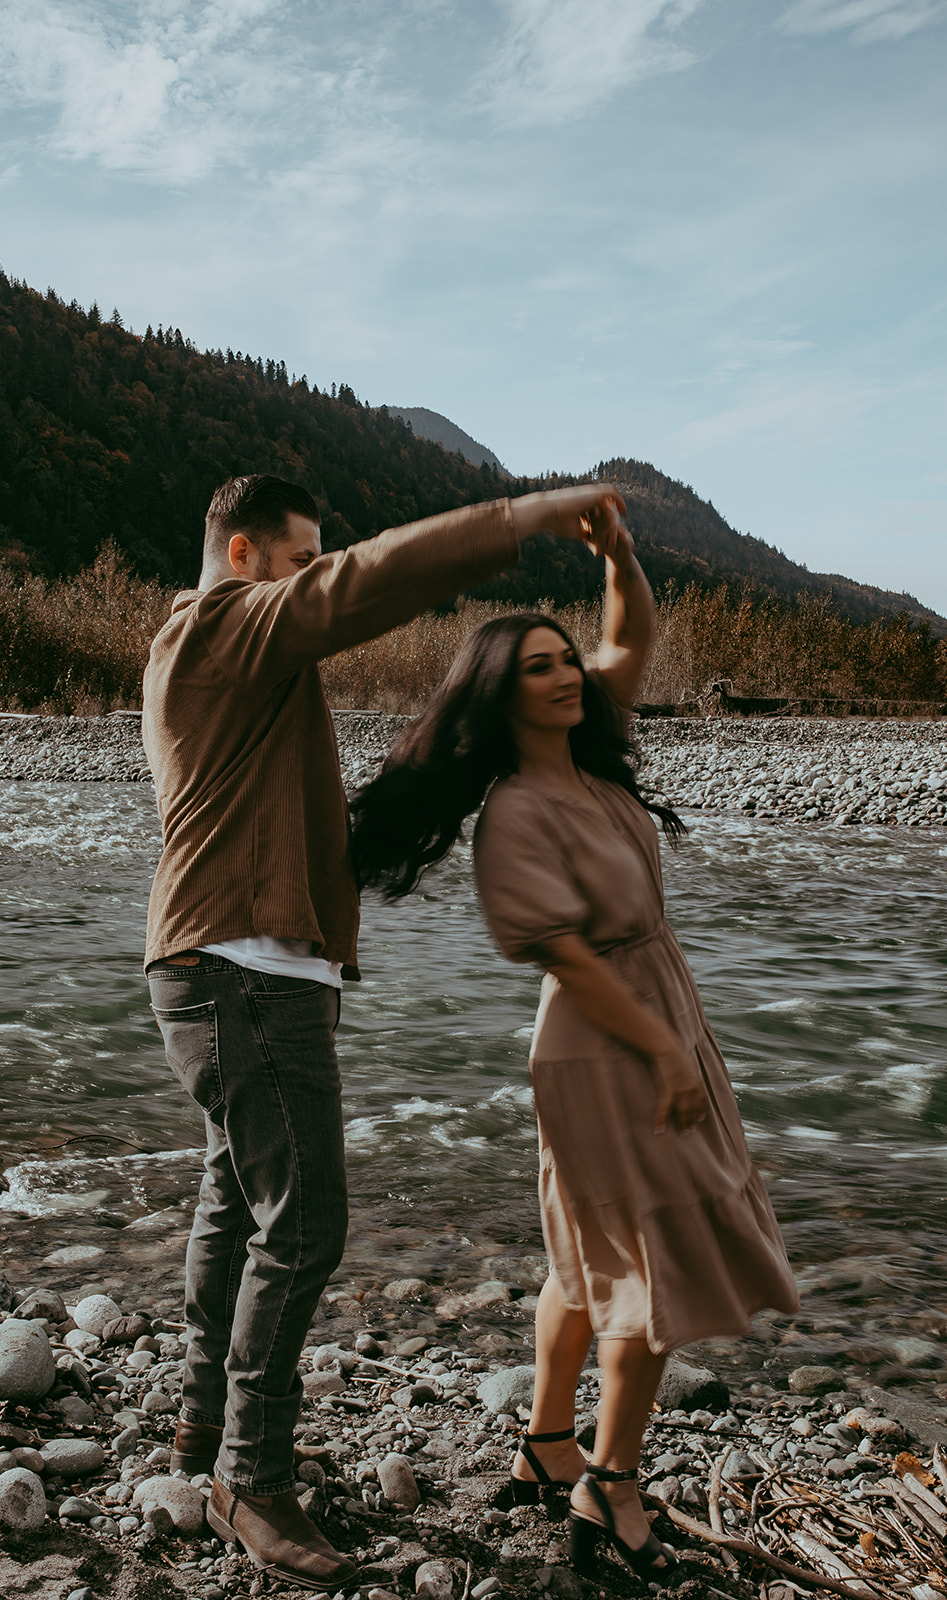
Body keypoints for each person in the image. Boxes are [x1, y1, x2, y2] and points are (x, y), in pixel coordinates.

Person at [141, 471, 628, 1591]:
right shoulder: (227, 620)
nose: (315, 574)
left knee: (236, 1199)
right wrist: (520, 519)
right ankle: (249, 1481)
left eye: (317, 558)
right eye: (301, 557)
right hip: (242, 970)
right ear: (248, 555)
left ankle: (202, 1424)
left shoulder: (205, 653)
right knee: (306, 1224)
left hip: (221, 965)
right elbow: (371, 581)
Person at [349, 513, 798, 1583]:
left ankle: (548, 1440)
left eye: (566, 660)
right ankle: (612, 1478)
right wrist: (661, 1050)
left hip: (652, 1011)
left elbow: (629, 644)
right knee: (651, 1267)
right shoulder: (514, 810)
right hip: (606, 1037)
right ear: (499, 698)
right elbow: (559, 951)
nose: (564, 677)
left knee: (582, 1258)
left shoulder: (593, 764)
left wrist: (620, 562)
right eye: (538, 668)